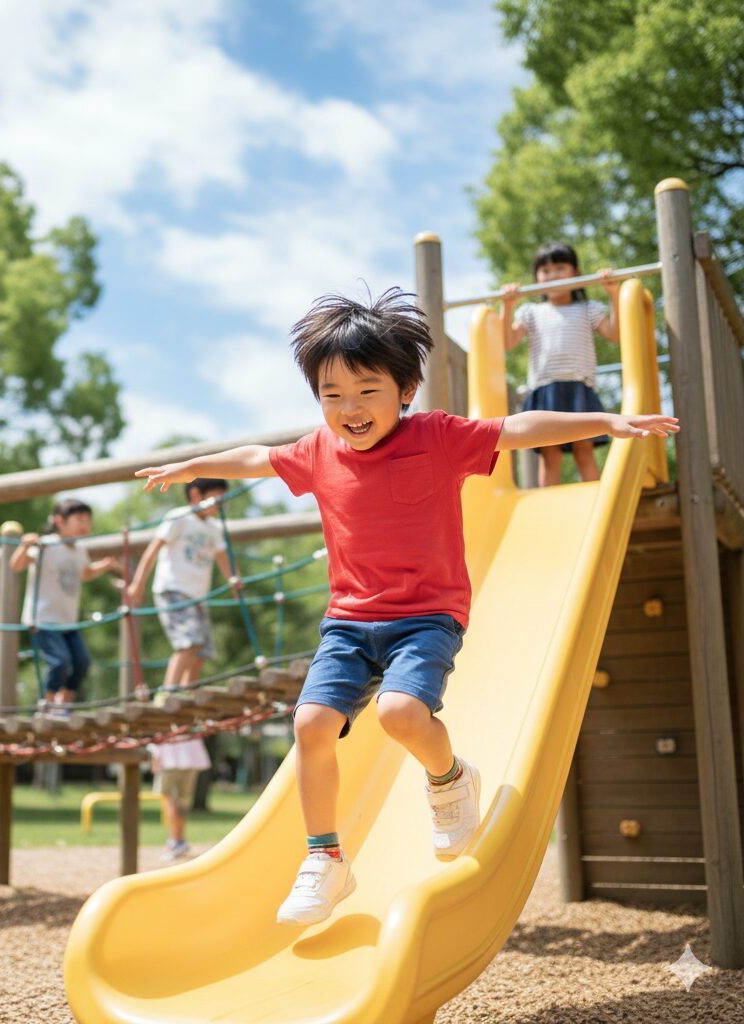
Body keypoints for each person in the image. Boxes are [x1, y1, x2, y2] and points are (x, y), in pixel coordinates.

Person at [134, 287, 678, 926]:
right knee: (309, 727)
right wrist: (197, 462)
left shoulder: (438, 438)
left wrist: (608, 422)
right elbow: (258, 457)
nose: (350, 409)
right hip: (348, 622)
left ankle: (450, 779)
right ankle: (326, 858)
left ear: (406, 388)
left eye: (367, 391)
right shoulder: (317, 451)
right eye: (332, 396)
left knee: (399, 712)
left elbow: (517, 428)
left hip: (427, 615)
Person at [501, 241, 622, 486]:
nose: (552, 275)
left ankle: (594, 499)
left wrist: (613, 294)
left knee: (583, 449)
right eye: (545, 271)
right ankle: (549, 505)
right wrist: (507, 305)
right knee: (549, 454)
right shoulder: (530, 312)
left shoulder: (588, 308)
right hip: (546, 389)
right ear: (537, 277)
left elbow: (614, 334)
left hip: (578, 386)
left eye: (559, 268)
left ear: (575, 272)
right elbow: (508, 342)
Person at [124, 479, 241, 694]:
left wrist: (234, 581)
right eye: (217, 498)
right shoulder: (179, 518)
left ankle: (188, 695)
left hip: (198, 596)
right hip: (173, 589)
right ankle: (168, 694)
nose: (222, 504)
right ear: (196, 495)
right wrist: (138, 583)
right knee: (189, 643)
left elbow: (224, 558)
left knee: (202, 652)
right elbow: (153, 549)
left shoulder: (215, 528)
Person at [10, 498, 117, 714]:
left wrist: (103, 567)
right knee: (60, 662)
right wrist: (24, 546)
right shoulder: (47, 544)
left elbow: (85, 573)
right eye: (79, 519)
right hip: (43, 619)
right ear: (60, 521)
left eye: (88, 520)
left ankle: (63, 704)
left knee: (82, 662)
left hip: (67, 621)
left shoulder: (79, 550)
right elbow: (16, 565)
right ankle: (47, 706)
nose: (85, 524)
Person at [149, 735, 212, 861]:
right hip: (191, 758)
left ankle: (175, 841)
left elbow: (159, 731)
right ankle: (179, 840)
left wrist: (155, 757)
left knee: (170, 800)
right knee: (181, 801)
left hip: (170, 758)